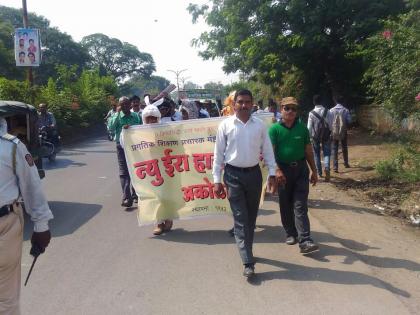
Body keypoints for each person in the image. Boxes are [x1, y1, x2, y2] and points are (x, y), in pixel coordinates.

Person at [213, 89, 277, 278]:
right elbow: (218, 155)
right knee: (241, 218)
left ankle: (246, 250)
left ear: (252, 104)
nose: (243, 105)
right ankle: (248, 261)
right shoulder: (225, 126)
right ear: (234, 105)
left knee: (251, 218)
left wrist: (272, 173)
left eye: (247, 102)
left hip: (254, 175)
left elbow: (267, 151)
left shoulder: (259, 126)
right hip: (232, 176)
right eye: (240, 102)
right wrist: (216, 180)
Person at [0, 117, 53, 314]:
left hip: (5, 227)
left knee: (4, 299)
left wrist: (41, 226)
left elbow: (31, 186)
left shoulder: (12, 147)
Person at [268, 97, 319, 254]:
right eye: (287, 108)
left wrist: (314, 171)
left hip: (301, 170)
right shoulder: (274, 129)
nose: (290, 111)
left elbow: (308, 151)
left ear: (297, 112)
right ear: (281, 109)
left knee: (300, 205)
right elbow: (270, 153)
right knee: (285, 203)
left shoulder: (302, 129)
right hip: (283, 171)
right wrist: (276, 171)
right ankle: (290, 232)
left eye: (293, 109)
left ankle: (305, 239)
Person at [141, 104, 174, 235]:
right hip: (150, 170)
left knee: (167, 195)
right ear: (144, 119)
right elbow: (124, 142)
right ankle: (158, 223)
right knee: (156, 197)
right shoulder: (139, 132)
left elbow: (177, 143)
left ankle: (169, 218)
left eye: (153, 118)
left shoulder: (166, 130)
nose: (151, 121)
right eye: (148, 118)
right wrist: (126, 132)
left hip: (166, 168)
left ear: (158, 118)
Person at [108, 96, 141, 207]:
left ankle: (136, 194)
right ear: (119, 106)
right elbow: (111, 128)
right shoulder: (116, 116)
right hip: (121, 147)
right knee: (124, 172)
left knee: (136, 169)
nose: (125, 106)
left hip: (135, 146)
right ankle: (126, 197)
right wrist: (117, 115)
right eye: (123, 104)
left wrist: (132, 128)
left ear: (130, 104)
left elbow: (141, 129)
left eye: (127, 104)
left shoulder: (136, 116)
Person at [307, 95, 333, 181]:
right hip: (326, 135)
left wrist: (309, 138)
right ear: (322, 101)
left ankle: (319, 173)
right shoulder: (328, 111)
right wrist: (330, 132)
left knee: (316, 154)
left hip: (315, 137)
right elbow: (330, 124)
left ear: (314, 102)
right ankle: (327, 167)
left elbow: (309, 128)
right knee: (327, 153)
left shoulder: (311, 113)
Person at [330, 95, 352, 172]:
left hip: (334, 131)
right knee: (344, 147)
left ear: (336, 101)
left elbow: (329, 122)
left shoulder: (331, 110)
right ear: (342, 102)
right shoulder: (346, 110)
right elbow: (349, 121)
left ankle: (335, 167)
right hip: (343, 131)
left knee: (335, 148)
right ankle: (346, 163)